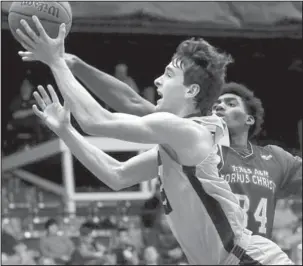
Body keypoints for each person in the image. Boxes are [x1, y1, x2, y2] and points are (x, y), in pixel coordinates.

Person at [16, 17, 295, 264]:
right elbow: (117, 175)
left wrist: (55, 61)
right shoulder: (179, 145)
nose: (158, 80)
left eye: (169, 74)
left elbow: (97, 120)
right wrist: (66, 131)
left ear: (192, 90)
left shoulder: (190, 133)